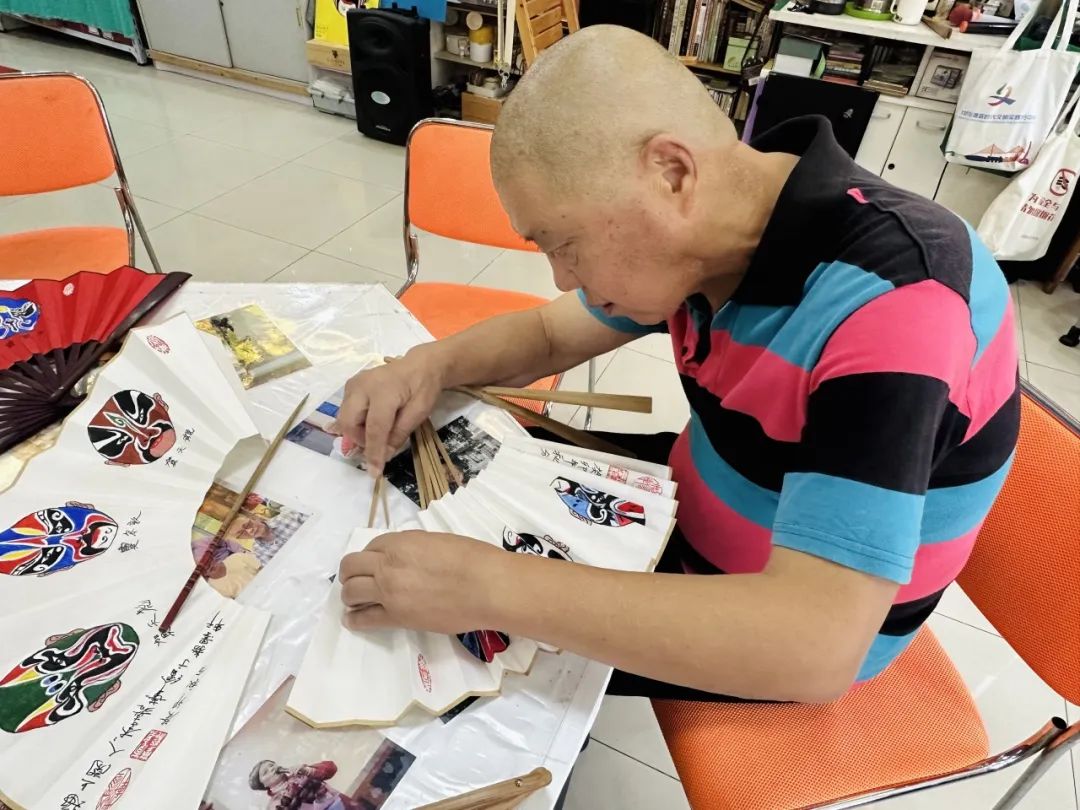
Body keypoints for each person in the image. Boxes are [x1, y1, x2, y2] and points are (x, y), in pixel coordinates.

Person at [333, 25, 1019, 702]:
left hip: (773, 623)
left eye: (565, 244)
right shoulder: (720, 226)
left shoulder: (899, 303)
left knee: (411, 663)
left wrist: (493, 588)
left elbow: (814, 650)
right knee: (438, 481)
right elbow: (547, 335)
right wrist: (425, 366)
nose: (562, 278)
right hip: (687, 503)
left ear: (672, 174)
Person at [248, 759, 360, 810]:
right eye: (265, 772)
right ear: (263, 785)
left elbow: (331, 768)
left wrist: (307, 770)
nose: (272, 769)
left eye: (272, 765)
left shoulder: (301, 773)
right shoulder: (274, 805)